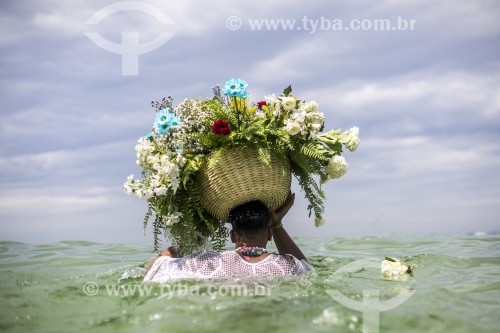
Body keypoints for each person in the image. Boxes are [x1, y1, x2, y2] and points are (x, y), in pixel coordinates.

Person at [144, 192, 314, 282]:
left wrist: (203, 230)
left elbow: (155, 269)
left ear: (232, 236)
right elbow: (307, 269)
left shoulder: (207, 263)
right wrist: (277, 225)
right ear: (269, 234)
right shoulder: (286, 266)